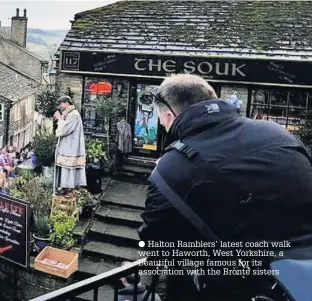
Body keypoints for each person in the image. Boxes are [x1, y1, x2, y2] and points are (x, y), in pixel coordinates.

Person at [138, 74, 312, 301]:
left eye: (163, 123)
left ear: (169, 115)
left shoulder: (172, 167)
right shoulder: (278, 134)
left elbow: (156, 242)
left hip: (238, 288)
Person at [53, 95, 87, 195]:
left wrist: (60, 119)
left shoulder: (74, 115)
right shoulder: (68, 113)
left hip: (71, 147)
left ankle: (68, 188)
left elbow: (65, 129)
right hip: (67, 146)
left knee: (68, 167)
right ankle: (64, 187)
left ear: (67, 103)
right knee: (65, 167)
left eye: (62, 104)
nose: (60, 106)